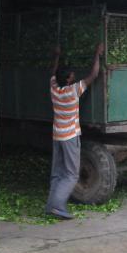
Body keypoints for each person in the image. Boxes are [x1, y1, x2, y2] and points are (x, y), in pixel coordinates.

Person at [47, 43, 104, 219]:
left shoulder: (54, 88)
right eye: (72, 75)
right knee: (71, 174)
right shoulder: (73, 92)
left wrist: (56, 56)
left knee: (58, 172)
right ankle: (57, 206)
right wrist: (97, 53)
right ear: (70, 80)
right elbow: (94, 74)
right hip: (70, 137)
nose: (74, 75)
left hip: (57, 136)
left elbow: (52, 72)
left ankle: (51, 205)